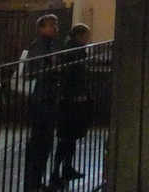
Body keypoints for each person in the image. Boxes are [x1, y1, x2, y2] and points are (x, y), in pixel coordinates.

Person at [51, 24, 93, 188]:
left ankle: (66, 168)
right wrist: (75, 94)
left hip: (74, 98)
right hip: (71, 100)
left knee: (70, 137)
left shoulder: (75, 49)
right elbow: (71, 75)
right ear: (79, 35)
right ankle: (57, 172)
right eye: (86, 36)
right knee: (66, 138)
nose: (88, 39)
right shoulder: (72, 51)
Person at [23, 14, 61, 192]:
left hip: (48, 96)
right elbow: (41, 69)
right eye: (51, 24)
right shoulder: (39, 45)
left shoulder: (50, 44)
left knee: (45, 142)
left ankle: (36, 181)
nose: (55, 27)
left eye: (55, 24)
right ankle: (32, 182)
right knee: (39, 141)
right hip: (41, 97)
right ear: (41, 28)